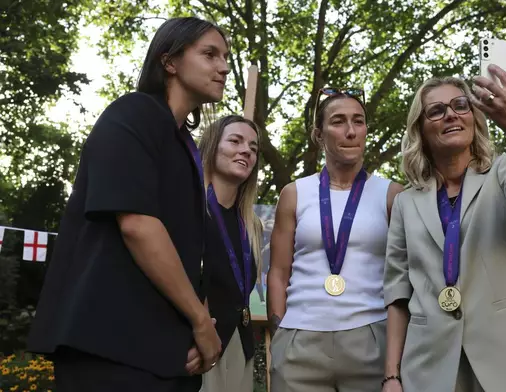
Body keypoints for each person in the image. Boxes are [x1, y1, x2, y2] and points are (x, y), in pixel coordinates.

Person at [27, 16, 231, 391]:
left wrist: (194, 330)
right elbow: (137, 224)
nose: (223, 67)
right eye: (209, 54)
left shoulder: (183, 145)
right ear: (169, 62)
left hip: (162, 356)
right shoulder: (133, 113)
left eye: (225, 57)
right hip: (109, 350)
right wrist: (201, 321)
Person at [382, 66, 506, 392]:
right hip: (431, 368)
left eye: (461, 105)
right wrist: (392, 375)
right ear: (420, 130)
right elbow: (398, 294)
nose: (451, 115)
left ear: (475, 118)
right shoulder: (405, 202)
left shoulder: (505, 171)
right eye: (436, 111)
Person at [267, 87, 404, 391]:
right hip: (300, 339)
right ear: (319, 134)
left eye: (359, 121)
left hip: (371, 337)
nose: (351, 131)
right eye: (339, 121)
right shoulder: (294, 193)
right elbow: (278, 271)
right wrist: (280, 334)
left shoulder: (392, 195)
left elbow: (403, 274)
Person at [198, 115, 263, 392]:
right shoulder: (189, 210)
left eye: (253, 147)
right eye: (235, 141)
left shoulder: (252, 225)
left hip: (240, 343)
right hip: (195, 345)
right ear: (212, 147)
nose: (246, 150)